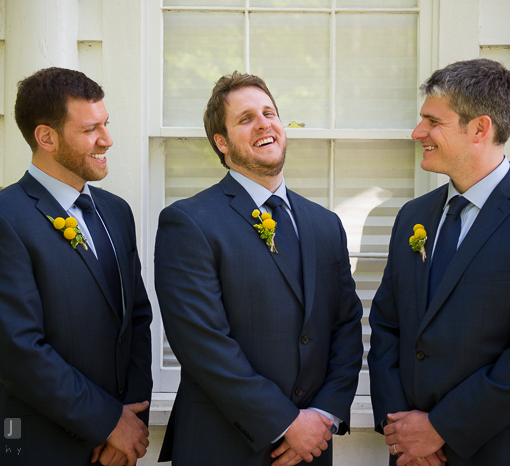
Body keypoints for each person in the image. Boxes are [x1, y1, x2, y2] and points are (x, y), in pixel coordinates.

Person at [367, 58, 510, 466]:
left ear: (480, 128)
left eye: (433, 121)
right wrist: (402, 432)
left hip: (504, 450)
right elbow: (387, 327)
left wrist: (440, 429)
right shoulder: (412, 218)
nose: (419, 132)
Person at [154, 71, 364, 466]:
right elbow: (203, 343)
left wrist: (322, 416)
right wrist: (286, 423)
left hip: (312, 447)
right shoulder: (189, 222)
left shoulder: (325, 224)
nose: (264, 123)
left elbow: (346, 326)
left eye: (270, 113)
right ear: (222, 141)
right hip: (223, 446)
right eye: (246, 118)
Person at [0, 67, 153, 466]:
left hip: (116, 450)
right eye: (90, 130)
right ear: (46, 137)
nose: (107, 140)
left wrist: (131, 419)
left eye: (106, 124)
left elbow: (136, 319)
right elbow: (19, 352)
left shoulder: (116, 213)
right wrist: (107, 422)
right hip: (37, 448)